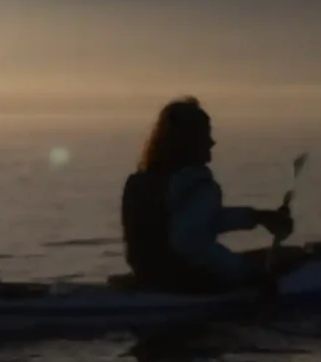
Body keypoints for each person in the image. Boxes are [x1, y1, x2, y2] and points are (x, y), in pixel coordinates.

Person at [119, 97, 295, 294]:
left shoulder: (140, 182)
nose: (212, 142)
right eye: (206, 135)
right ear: (188, 142)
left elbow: (198, 220)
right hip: (185, 284)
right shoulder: (198, 185)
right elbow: (189, 242)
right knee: (292, 258)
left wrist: (258, 217)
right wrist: (245, 272)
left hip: (148, 277)